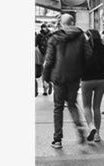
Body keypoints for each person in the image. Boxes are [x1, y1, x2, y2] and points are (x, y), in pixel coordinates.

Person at [38, 12, 89, 150]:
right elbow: (88, 55)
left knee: (58, 107)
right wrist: (80, 71)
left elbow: (49, 60)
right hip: (74, 77)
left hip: (58, 76)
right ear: (73, 22)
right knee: (72, 104)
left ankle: (57, 139)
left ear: (62, 23)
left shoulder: (54, 38)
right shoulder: (81, 36)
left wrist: (46, 78)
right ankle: (79, 127)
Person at [78, 27, 104, 141]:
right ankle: (97, 134)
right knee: (96, 107)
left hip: (86, 80)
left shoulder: (83, 50)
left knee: (86, 106)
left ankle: (91, 127)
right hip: (101, 80)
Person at [34, 24, 51, 97]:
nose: (45, 29)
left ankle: (45, 89)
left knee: (45, 72)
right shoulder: (39, 36)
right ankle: (45, 88)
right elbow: (35, 45)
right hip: (40, 55)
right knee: (43, 72)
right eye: (43, 27)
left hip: (48, 55)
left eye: (45, 27)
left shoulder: (51, 35)